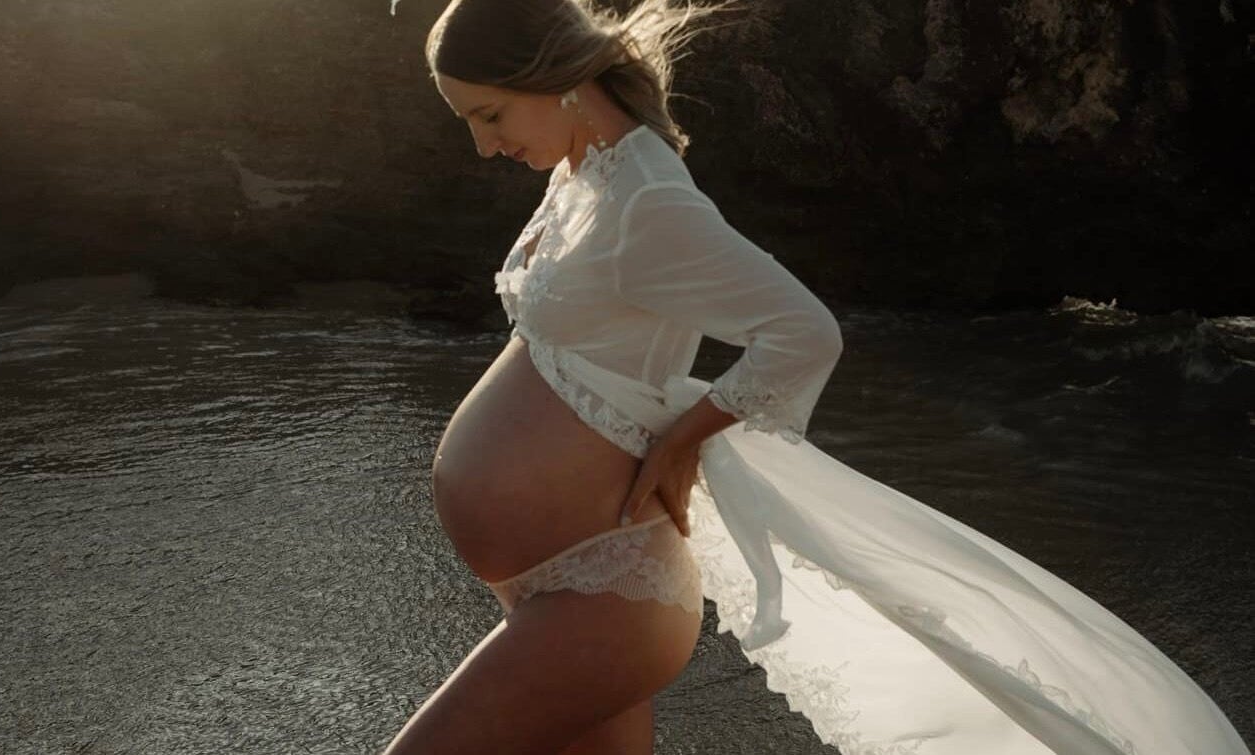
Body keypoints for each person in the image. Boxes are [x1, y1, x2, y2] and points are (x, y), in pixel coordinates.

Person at [383, 1, 1253, 753]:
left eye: (489, 115)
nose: (483, 146)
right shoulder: (585, 169)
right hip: (560, 586)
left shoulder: (647, 196)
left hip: (602, 598)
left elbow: (802, 333)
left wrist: (686, 437)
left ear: (553, 75)